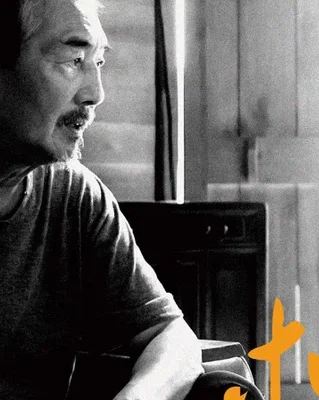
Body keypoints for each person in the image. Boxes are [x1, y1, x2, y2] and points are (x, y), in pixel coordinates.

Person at [0, 0, 205, 398]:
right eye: (74, 60)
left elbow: (170, 337)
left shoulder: (74, 195)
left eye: (99, 62)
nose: (96, 94)